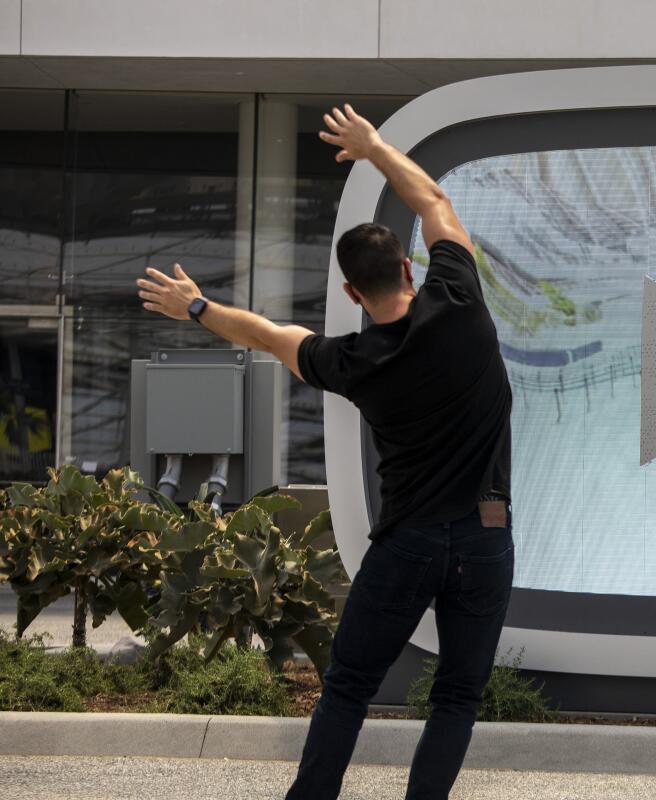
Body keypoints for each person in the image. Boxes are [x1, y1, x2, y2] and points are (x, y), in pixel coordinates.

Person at [135, 103, 514, 800]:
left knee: (347, 688)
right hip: (486, 537)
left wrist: (195, 306)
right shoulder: (459, 299)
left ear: (349, 291)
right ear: (409, 267)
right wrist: (372, 147)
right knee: (457, 698)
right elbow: (432, 198)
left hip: (409, 544)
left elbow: (268, 335)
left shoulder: (353, 361)